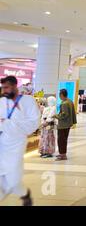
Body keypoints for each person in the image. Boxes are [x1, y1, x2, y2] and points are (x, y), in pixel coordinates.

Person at [0, 76, 40, 206]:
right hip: (2, 142)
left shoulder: (28, 101)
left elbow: (34, 123)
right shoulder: (2, 102)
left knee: (13, 178)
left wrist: (9, 123)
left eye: (6, 87)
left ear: (14, 86)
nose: (3, 91)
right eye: (2, 88)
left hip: (16, 143)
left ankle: (24, 194)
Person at [52, 89, 77, 161]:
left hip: (63, 125)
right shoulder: (70, 101)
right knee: (64, 140)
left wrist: (56, 116)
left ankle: (62, 155)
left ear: (62, 95)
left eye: (59, 95)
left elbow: (64, 115)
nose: (59, 96)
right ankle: (62, 153)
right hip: (68, 124)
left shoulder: (64, 103)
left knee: (61, 140)